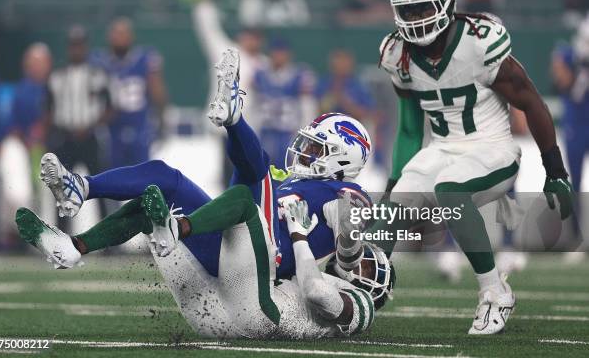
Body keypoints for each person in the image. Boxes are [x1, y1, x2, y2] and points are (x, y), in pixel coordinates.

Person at [29, 49, 376, 284]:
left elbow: (351, 237)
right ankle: (78, 217)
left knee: (254, 177)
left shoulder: (345, 192)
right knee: (163, 180)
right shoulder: (296, 181)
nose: (304, 152)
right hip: (232, 244)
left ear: (343, 157)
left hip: (269, 259)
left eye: (316, 148)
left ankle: (234, 117)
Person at [377, 0, 573, 335]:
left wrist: (556, 171)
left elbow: (531, 101)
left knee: (450, 190)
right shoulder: (396, 54)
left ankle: (495, 292)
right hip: (443, 150)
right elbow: (407, 126)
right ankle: (363, 289)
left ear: (447, 3)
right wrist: (391, 183)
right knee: (391, 209)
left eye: (424, 7)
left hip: (492, 148)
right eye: (408, 10)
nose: (416, 18)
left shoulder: (479, 41)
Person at [16, 181, 392, 338]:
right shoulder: (342, 284)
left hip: (260, 316)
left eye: (372, 270)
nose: (363, 267)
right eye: (370, 262)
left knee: (245, 199)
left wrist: (298, 236)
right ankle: (70, 247)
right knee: (155, 208)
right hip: (213, 315)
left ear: (377, 289)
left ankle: (177, 227)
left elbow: (314, 290)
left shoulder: (360, 307)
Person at [45, 25, 112, 223]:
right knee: (62, 190)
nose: (77, 50)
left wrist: (93, 125)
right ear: (69, 48)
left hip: (90, 136)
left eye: (80, 46)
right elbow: (48, 108)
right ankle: (62, 236)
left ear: (86, 47)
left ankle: (107, 238)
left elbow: (110, 106)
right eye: (73, 46)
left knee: (100, 187)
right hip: (65, 137)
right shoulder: (57, 76)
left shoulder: (97, 75)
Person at [92, 17, 167, 168]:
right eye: (117, 34)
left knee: (141, 174)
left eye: (123, 34)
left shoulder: (145, 58)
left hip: (139, 125)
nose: (120, 38)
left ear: (131, 36)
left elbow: (157, 90)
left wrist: (162, 117)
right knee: (112, 174)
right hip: (111, 128)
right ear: (109, 37)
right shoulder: (99, 60)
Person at [551, 18, 589, 258]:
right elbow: (562, 81)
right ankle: (576, 238)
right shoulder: (566, 54)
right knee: (573, 181)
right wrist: (579, 64)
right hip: (576, 124)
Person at [253, 38, 317, 168]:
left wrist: (306, 132)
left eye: (282, 52)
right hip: (266, 130)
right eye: (276, 52)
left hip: (288, 131)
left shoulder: (300, 74)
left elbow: (307, 105)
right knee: (262, 168)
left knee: (288, 169)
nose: (278, 56)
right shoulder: (260, 74)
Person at [12, 43, 52, 179]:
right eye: (32, 63)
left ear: (48, 63)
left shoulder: (55, 85)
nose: (36, 67)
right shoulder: (21, 90)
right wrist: (25, 138)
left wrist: (44, 129)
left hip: (53, 145)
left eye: (40, 62)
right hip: (26, 146)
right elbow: (14, 122)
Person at [316, 49, 375, 122]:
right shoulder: (324, 83)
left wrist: (343, 101)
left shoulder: (358, 86)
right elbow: (316, 109)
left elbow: (366, 114)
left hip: (353, 126)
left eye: (344, 63)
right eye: (337, 64)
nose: (341, 66)